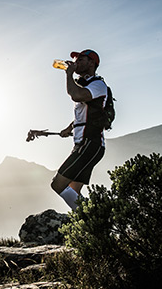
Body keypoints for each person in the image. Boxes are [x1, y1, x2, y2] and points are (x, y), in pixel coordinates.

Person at [51, 49, 107, 210]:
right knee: (73, 190)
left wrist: (68, 75)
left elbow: (76, 95)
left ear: (92, 63)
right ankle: (92, 223)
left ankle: (91, 219)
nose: (76, 62)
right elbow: (84, 114)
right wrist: (69, 128)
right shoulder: (87, 84)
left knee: (58, 184)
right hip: (84, 143)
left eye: (80, 59)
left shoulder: (98, 85)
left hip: (90, 144)